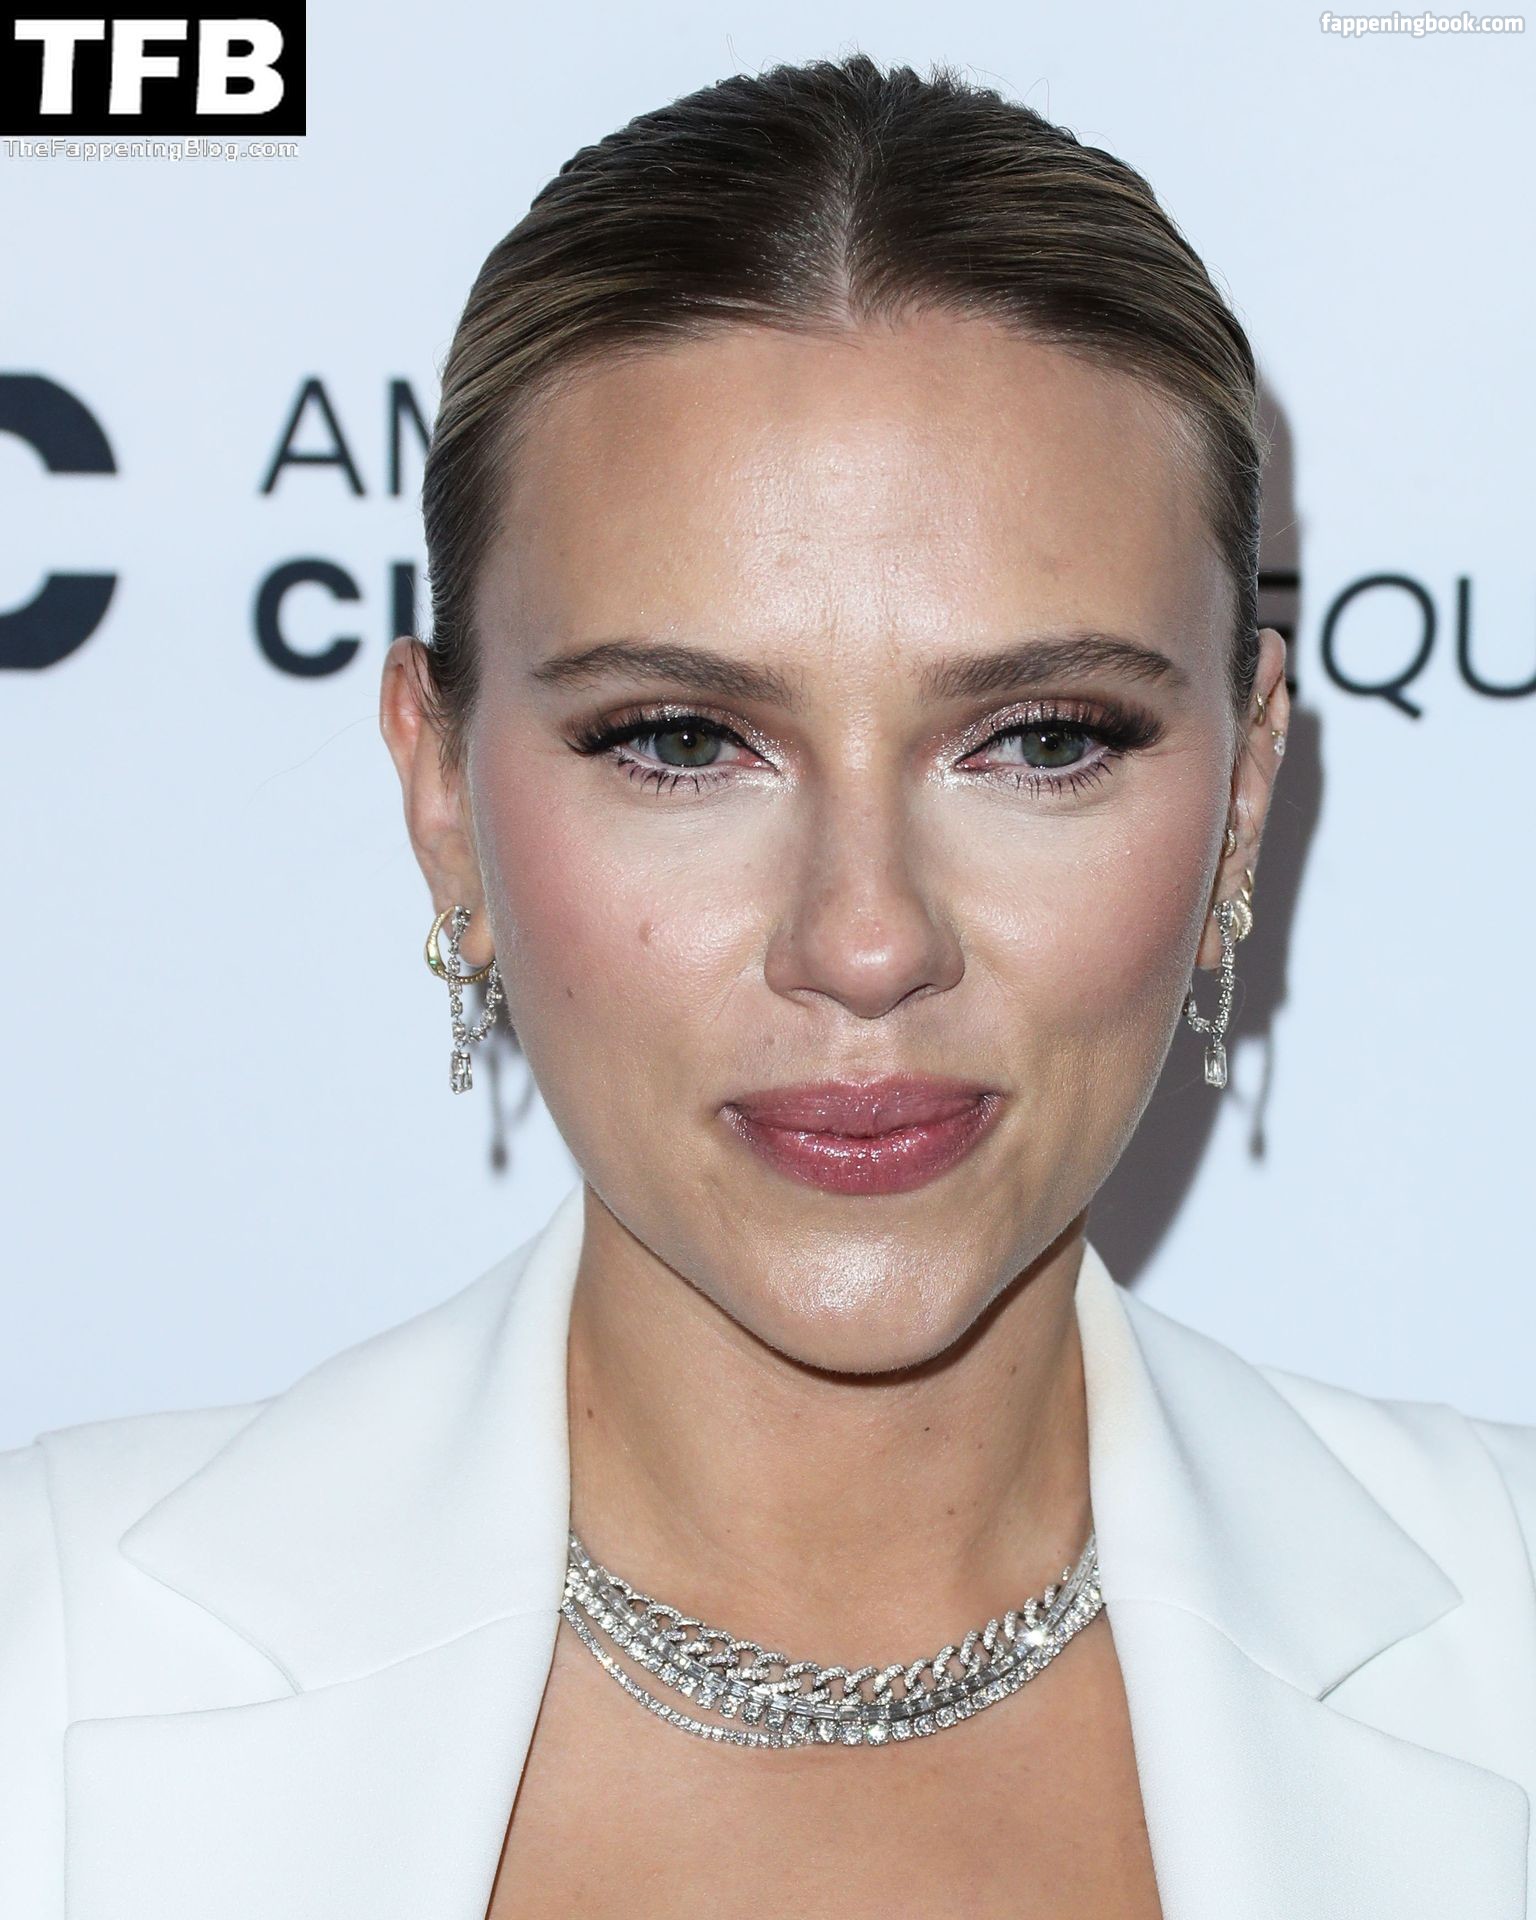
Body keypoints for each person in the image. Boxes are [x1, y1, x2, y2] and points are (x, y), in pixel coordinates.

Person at [3, 52, 1533, 1920]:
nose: (867, 940)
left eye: (1042, 739)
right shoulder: (48, 1675)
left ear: (1247, 793)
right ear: (443, 795)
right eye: (680, 740)